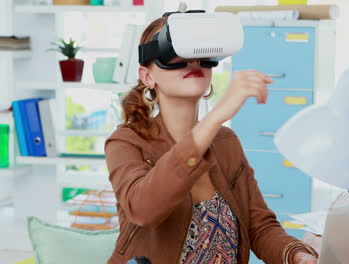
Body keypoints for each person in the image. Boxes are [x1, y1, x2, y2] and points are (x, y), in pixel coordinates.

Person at [104, 14, 319, 264]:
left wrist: (298, 256)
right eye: (175, 52)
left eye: (200, 52)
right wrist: (216, 116)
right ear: (147, 77)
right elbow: (143, 208)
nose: (192, 61)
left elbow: (260, 227)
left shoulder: (226, 143)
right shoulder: (126, 142)